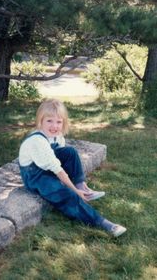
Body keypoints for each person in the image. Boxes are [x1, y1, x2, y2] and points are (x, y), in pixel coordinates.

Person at [19, 98, 127, 237]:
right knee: (66, 194)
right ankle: (102, 223)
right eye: (49, 121)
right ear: (40, 121)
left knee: (70, 152)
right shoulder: (37, 141)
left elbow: (61, 159)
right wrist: (74, 190)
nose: (54, 126)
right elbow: (58, 169)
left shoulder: (57, 136)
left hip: (47, 167)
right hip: (35, 177)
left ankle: (82, 186)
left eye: (59, 122)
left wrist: (77, 184)